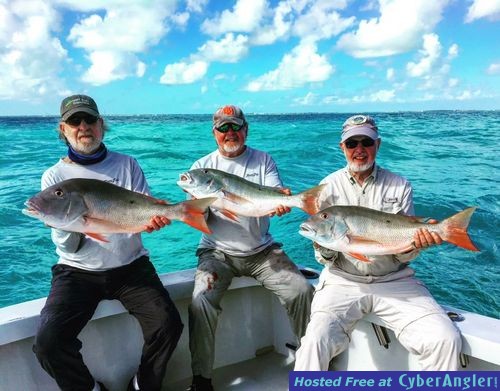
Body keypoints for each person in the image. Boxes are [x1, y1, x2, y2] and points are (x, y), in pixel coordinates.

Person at [32, 95, 183, 391]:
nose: (83, 126)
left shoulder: (127, 165)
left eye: (90, 120)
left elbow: (140, 215)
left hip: (131, 267)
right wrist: (67, 223)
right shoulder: (55, 176)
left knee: (169, 325)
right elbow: (68, 248)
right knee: (48, 343)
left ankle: (143, 384)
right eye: (75, 121)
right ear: (63, 129)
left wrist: (152, 220)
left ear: (102, 125)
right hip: (77, 272)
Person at [294, 114, 462, 371]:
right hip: (343, 280)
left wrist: (417, 243)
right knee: (314, 342)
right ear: (343, 148)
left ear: (378, 145)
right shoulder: (327, 186)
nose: (359, 150)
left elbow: (402, 255)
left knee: (444, 339)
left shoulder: (399, 185)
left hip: (394, 280)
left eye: (366, 142)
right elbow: (326, 256)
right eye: (352, 144)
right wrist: (325, 246)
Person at [185, 105, 314, 391]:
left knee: (302, 291)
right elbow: (198, 220)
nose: (230, 133)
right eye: (223, 128)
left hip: (262, 251)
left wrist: (281, 202)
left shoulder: (262, 161)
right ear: (214, 133)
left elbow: (273, 196)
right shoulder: (200, 168)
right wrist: (195, 209)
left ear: (246, 130)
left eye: (235, 127)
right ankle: (201, 380)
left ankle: (310, 367)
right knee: (200, 300)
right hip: (216, 252)